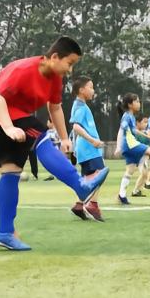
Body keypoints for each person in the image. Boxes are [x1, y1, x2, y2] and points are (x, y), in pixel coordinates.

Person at [0, 36, 110, 251]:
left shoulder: (55, 79)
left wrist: (65, 138)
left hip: (15, 116)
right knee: (40, 135)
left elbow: (55, 108)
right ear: (55, 57)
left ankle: (4, 232)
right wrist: (9, 128)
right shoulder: (23, 69)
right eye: (69, 63)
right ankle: (80, 186)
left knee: (11, 170)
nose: (70, 70)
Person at [69, 76, 105, 221]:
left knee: (89, 178)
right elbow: (76, 127)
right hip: (88, 149)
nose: (93, 90)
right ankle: (93, 205)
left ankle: (79, 205)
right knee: (99, 174)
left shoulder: (81, 105)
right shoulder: (80, 107)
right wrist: (92, 140)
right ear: (81, 90)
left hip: (86, 149)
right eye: (90, 87)